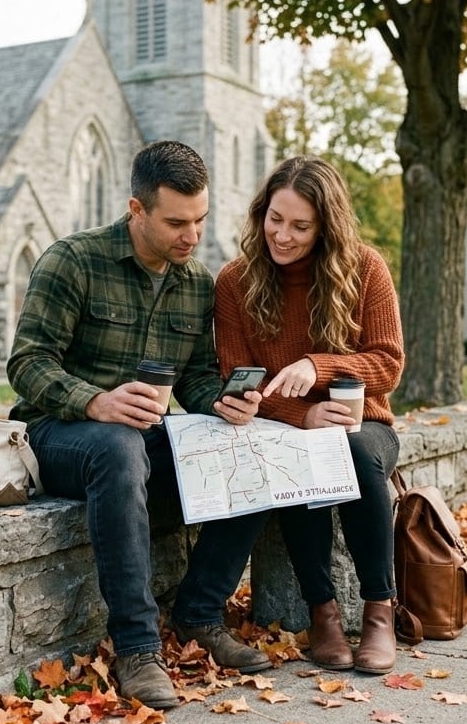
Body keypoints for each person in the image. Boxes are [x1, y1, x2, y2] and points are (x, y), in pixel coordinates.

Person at [7, 140, 271, 709]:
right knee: (119, 447)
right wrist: (95, 401)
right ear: (136, 209)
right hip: (58, 435)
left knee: (248, 448)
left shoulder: (197, 283)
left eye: (200, 220)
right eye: (176, 222)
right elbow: (26, 364)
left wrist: (225, 403)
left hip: (143, 438)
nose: (192, 236)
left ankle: (200, 613)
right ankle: (137, 647)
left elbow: (198, 376)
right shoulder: (72, 260)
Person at [170, 155, 405, 674]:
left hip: (362, 422)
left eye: (301, 226)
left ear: (327, 226)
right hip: (282, 427)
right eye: (275, 219)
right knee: (298, 458)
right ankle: (323, 614)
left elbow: (387, 364)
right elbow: (238, 372)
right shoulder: (235, 281)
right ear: (261, 213)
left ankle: (378, 612)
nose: (283, 235)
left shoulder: (365, 269)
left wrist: (316, 366)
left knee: (357, 455)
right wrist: (299, 416)